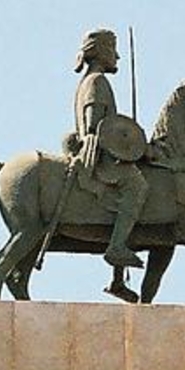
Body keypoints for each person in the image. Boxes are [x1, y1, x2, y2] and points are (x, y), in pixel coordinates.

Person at [73, 28, 148, 269]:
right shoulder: (97, 82)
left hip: (100, 151)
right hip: (98, 156)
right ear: (102, 52)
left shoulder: (88, 80)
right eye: (113, 50)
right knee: (137, 185)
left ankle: (118, 274)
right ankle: (116, 247)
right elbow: (96, 126)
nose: (117, 57)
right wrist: (129, 148)